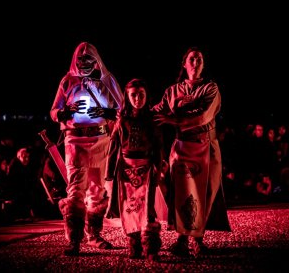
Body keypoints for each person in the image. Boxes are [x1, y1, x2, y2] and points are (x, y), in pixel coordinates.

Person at [152, 46, 231, 256]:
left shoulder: (210, 88)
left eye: (199, 59)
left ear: (203, 64)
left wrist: (174, 120)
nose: (196, 62)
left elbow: (204, 116)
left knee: (204, 192)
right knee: (181, 192)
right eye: (192, 59)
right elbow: (156, 111)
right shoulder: (172, 91)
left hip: (206, 146)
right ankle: (182, 239)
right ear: (184, 64)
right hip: (182, 147)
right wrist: (128, 114)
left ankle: (198, 240)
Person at [50, 42, 123, 256]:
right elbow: (54, 110)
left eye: (88, 59)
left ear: (96, 60)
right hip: (75, 141)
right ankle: (74, 238)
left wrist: (106, 112)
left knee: (97, 190)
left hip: (100, 140)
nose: (84, 63)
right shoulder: (68, 81)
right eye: (80, 59)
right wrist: (65, 112)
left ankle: (93, 235)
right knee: (75, 191)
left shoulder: (106, 81)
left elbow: (122, 108)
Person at [105, 78, 163, 261]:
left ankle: (151, 248)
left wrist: (159, 167)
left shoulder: (152, 120)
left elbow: (158, 145)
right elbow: (114, 146)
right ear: (127, 97)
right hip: (126, 170)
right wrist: (108, 174)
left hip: (146, 168)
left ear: (146, 96)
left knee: (147, 208)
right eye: (134, 95)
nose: (138, 98)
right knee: (129, 207)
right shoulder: (122, 120)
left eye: (141, 95)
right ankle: (134, 245)